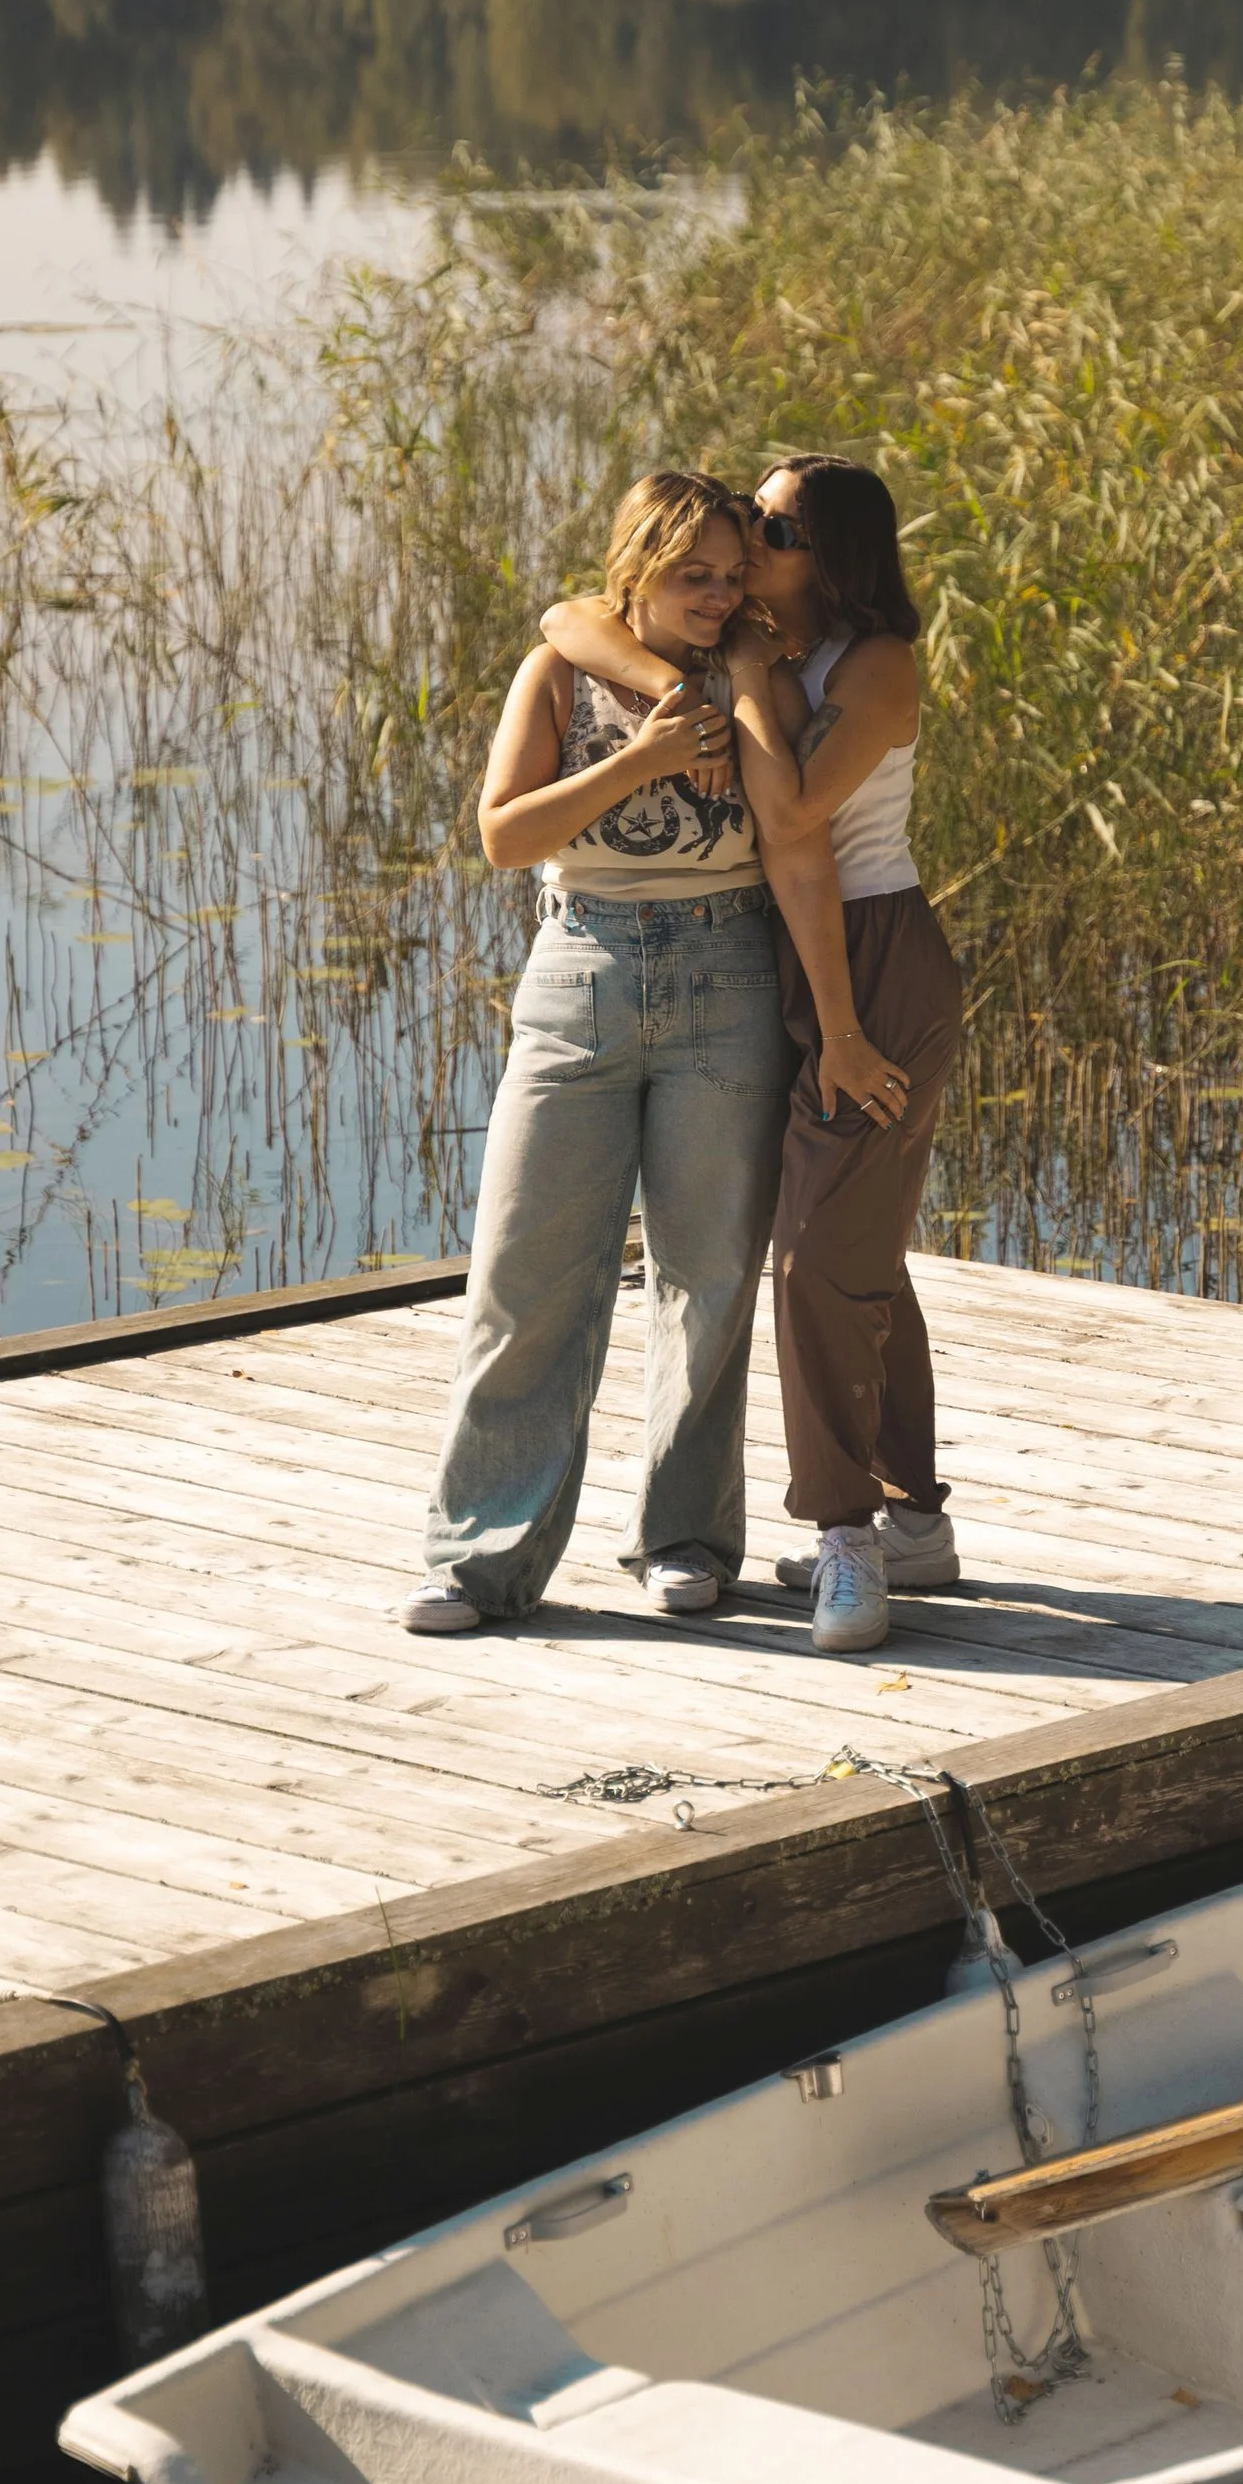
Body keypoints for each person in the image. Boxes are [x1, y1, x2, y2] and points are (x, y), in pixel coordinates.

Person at [540, 454, 963, 1656]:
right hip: (773, 949)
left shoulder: (871, 666)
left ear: (827, 552)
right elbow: (566, 617)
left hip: (873, 957)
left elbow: (791, 820)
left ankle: (847, 1540)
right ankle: (913, 1510)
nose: (747, 544)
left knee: (817, 1261)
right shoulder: (762, 649)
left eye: (769, 528)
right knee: (856, 1245)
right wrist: (711, 674)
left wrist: (738, 679)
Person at [405, 471, 796, 1634]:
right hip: (582, 971)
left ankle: (684, 1542)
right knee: (526, 1278)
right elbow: (501, 834)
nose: (720, 595)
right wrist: (640, 759)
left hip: (731, 975)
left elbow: (795, 825)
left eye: (733, 576)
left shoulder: (752, 667)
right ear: (638, 570)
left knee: (709, 1276)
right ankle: (479, 1560)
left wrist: (720, 697)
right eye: (695, 576)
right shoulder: (562, 672)